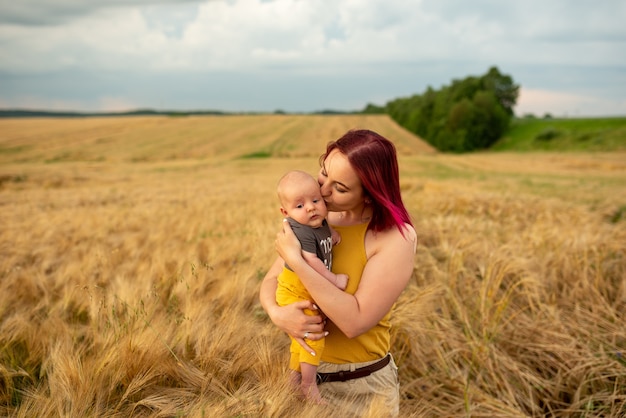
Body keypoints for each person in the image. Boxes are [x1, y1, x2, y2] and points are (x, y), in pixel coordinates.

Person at [260, 129, 417, 416]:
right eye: (323, 174)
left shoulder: (396, 237)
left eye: (340, 188)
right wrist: (276, 313)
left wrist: (298, 262)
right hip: (301, 380)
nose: (322, 191)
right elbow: (272, 279)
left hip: (363, 391)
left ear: (370, 195)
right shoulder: (317, 218)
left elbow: (354, 321)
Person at [275, 170, 349, 403]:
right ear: (285, 213)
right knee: (313, 335)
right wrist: (334, 281)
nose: (310, 208)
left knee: (303, 337)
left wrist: (332, 233)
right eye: (299, 206)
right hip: (295, 289)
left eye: (315, 200)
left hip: (304, 289)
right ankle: (308, 384)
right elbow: (312, 262)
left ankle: (293, 378)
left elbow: (323, 229)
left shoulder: (318, 221)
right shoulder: (302, 231)